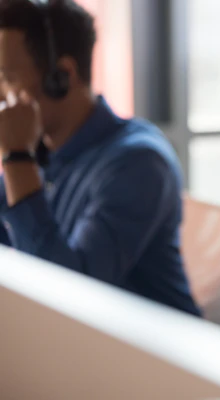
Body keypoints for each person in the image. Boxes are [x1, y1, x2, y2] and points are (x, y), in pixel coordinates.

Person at [0, 0, 200, 316]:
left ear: (61, 76)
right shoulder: (44, 152)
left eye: (7, 78)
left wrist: (16, 158)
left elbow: (66, 297)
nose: (1, 95)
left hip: (146, 357)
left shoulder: (139, 164)